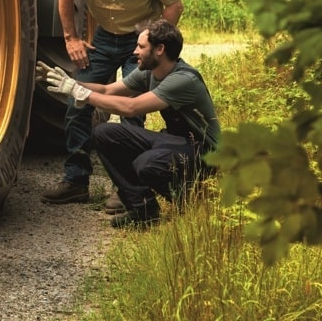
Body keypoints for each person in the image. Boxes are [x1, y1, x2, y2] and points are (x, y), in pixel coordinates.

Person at [41, 0, 184, 207]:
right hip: (103, 38)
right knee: (77, 99)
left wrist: (153, 43)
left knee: (132, 111)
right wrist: (71, 39)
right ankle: (75, 180)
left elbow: (173, 6)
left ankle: (129, 188)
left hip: (139, 36)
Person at [36, 19, 219, 228]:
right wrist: (68, 82)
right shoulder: (150, 72)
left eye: (141, 46)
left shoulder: (182, 80)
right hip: (176, 140)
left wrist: (79, 93)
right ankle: (144, 210)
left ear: (160, 49)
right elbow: (107, 90)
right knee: (104, 133)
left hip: (203, 152)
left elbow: (130, 108)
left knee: (147, 164)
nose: (134, 52)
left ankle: (192, 199)